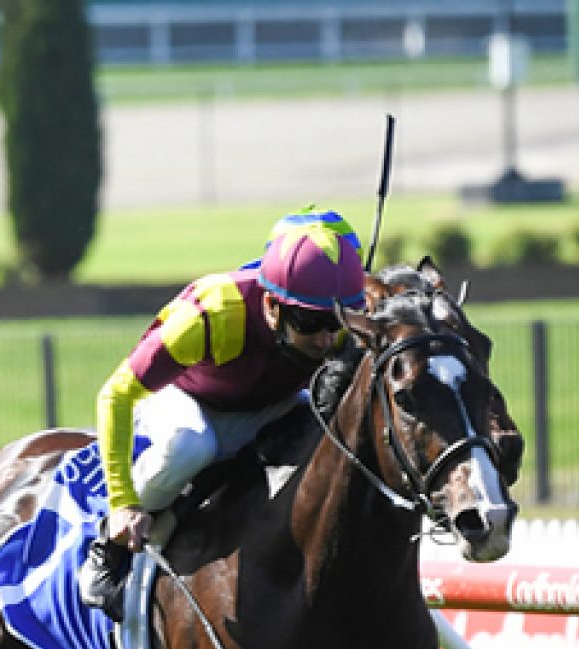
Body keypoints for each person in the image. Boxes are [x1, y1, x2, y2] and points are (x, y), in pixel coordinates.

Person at [77, 207, 368, 616]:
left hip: (268, 404)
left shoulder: (337, 330)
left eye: (335, 322)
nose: (324, 338)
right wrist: (123, 502)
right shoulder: (212, 312)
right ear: (271, 305)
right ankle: (108, 548)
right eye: (309, 321)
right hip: (184, 400)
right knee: (191, 447)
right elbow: (117, 394)